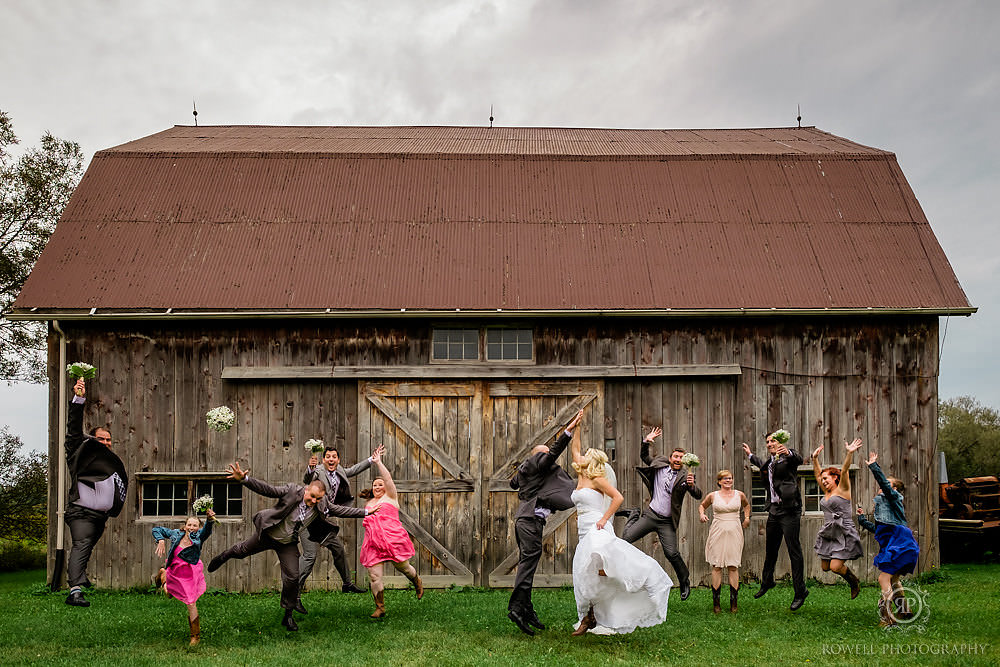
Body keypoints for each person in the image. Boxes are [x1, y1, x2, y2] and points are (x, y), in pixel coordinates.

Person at [206, 462, 376, 631]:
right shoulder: (292, 490)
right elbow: (268, 489)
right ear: (307, 489)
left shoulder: (321, 504)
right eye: (312, 497)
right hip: (269, 534)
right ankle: (224, 555)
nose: (314, 501)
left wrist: (367, 512)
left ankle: (287, 616)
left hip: (287, 543)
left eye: (318, 499)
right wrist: (245, 480)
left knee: (293, 577)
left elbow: (342, 511)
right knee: (241, 551)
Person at [568, 429, 671, 636]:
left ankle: (640, 582)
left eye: (587, 454)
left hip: (598, 527)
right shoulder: (581, 475)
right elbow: (575, 449)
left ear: (593, 461)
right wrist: (576, 426)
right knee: (587, 573)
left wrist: (604, 518)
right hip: (584, 530)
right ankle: (589, 617)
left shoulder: (597, 479)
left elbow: (618, 498)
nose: (582, 455)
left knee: (605, 566)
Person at [506, 409, 584, 636]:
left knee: (527, 562)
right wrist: (567, 432)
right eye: (543, 454)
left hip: (529, 522)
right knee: (527, 564)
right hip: (529, 521)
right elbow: (550, 455)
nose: (547, 456)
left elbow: (513, 483)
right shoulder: (536, 462)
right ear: (535, 457)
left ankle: (527, 608)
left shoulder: (531, 473)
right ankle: (516, 608)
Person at [63, 377, 129, 608]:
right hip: (81, 512)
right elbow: (73, 428)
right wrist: (78, 398)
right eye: (102, 439)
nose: (106, 443)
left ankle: (79, 577)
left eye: (109, 440)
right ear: (92, 439)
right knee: (81, 545)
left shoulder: (108, 462)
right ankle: (75, 591)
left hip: (100, 516)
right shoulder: (78, 452)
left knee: (87, 546)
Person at [621, 426, 702, 601]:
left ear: (684, 461)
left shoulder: (685, 476)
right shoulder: (659, 466)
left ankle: (684, 580)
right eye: (675, 456)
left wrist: (691, 485)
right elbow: (644, 457)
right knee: (626, 539)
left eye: (681, 457)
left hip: (666, 521)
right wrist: (646, 441)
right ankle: (633, 514)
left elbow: (698, 495)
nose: (678, 459)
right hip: (651, 515)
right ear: (671, 458)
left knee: (671, 553)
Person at [297, 442, 380, 601]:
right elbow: (308, 479)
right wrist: (310, 468)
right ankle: (294, 592)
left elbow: (353, 470)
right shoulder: (318, 471)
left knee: (339, 550)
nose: (331, 459)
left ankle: (347, 584)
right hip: (307, 522)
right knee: (310, 556)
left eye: (334, 457)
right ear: (323, 460)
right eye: (327, 457)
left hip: (322, 522)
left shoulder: (340, 470)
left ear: (338, 460)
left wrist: (371, 459)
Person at [742, 429, 808, 610]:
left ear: (780, 442)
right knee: (771, 548)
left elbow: (798, 459)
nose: (770, 444)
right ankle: (767, 581)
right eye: (768, 442)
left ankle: (800, 591)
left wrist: (789, 452)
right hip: (774, 510)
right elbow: (763, 466)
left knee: (794, 550)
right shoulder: (770, 463)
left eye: (773, 441)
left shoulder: (788, 458)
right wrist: (750, 456)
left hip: (790, 510)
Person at [857, 452, 919, 628]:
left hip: (900, 545)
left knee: (883, 579)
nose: (881, 488)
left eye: (887, 486)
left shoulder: (893, 499)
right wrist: (862, 520)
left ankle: (888, 618)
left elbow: (884, 483)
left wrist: (873, 466)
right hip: (901, 545)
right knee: (893, 579)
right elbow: (878, 530)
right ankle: (904, 610)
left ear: (895, 490)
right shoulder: (886, 511)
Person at [358, 447, 423, 618]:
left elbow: (387, 478)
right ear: (371, 489)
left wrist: (378, 462)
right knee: (374, 576)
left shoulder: (391, 497)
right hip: (373, 543)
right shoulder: (369, 502)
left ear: (386, 487)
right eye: (375, 485)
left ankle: (416, 581)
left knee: (405, 569)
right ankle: (380, 607)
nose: (378, 486)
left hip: (393, 541)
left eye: (380, 484)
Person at [151, 509, 217, 645]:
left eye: (195, 525)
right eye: (189, 525)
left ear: (198, 527)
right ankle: (164, 576)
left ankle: (195, 637)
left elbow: (207, 531)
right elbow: (157, 529)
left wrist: (210, 520)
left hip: (190, 572)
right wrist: (161, 540)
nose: (192, 528)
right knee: (169, 594)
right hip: (175, 570)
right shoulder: (176, 534)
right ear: (185, 525)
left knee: (191, 602)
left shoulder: (199, 536)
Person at [810, 439, 864, 599]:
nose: (823, 481)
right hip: (829, 531)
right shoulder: (826, 492)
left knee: (835, 566)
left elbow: (846, 470)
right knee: (825, 567)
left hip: (843, 530)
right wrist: (814, 459)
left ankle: (853, 582)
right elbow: (816, 474)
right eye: (823, 479)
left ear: (835, 477)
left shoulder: (843, 489)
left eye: (826, 478)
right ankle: (850, 578)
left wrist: (849, 453)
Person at [698, 470, 751, 613]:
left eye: (730, 478)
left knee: (733, 565)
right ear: (719, 481)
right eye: (725, 478)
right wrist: (702, 515)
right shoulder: (713, 496)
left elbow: (746, 506)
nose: (728, 480)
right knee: (717, 566)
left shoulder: (739, 495)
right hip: (717, 530)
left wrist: (746, 518)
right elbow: (702, 506)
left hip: (734, 530)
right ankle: (716, 604)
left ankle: (734, 604)